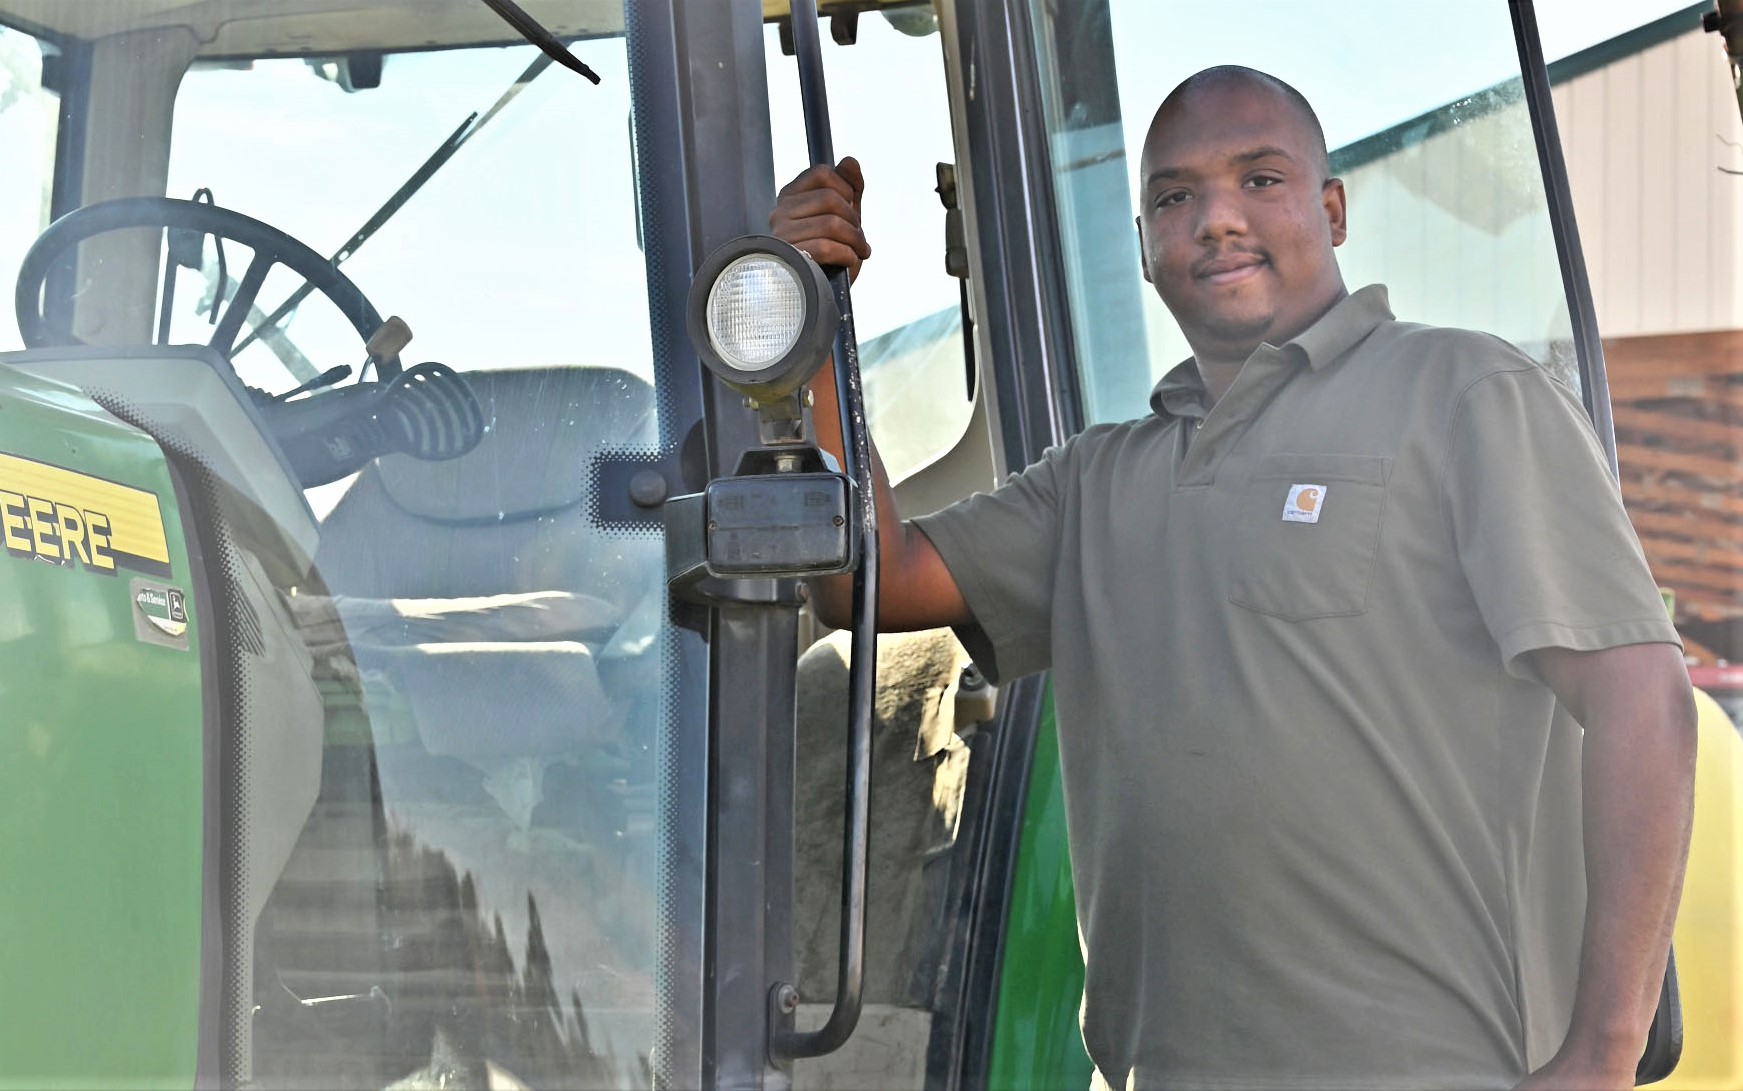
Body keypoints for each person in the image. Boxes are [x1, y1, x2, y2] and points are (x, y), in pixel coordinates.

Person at [770, 66, 1696, 1091]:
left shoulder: (1467, 393)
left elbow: (1642, 700)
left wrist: (1603, 1052)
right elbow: (870, 579)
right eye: (1175, 196)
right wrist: (807, 321)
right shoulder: (1095, 480)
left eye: (1261, 179)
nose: (1216, 220)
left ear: (1333, 209)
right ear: (1141, 245)